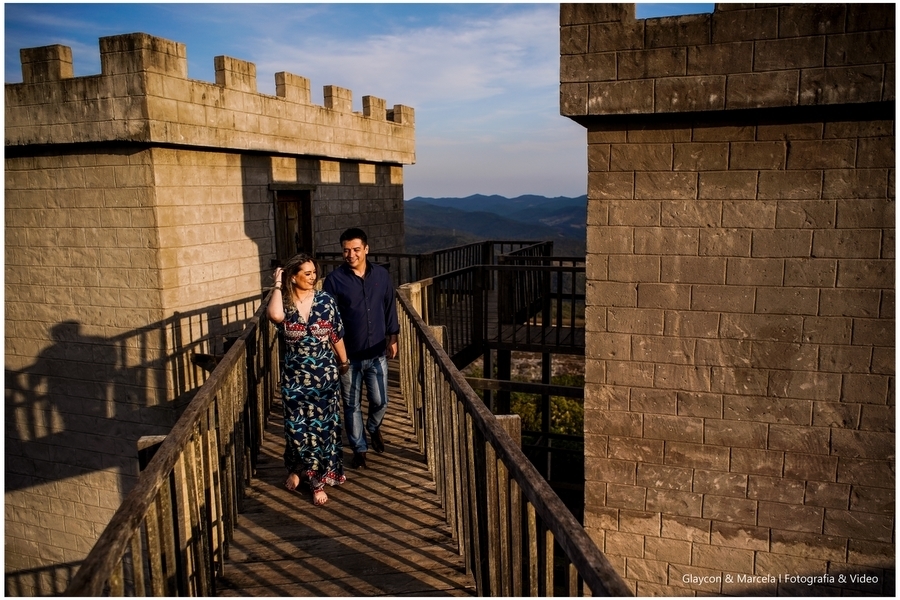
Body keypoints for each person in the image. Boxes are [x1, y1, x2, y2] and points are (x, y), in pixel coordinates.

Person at [267, 253, 350, 506]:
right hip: (295, 377)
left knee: (322, 429)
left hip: (323, 375)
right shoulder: (286, 302)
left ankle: (316, 480)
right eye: (307, 273)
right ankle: (298, 468)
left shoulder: (326, 301)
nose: (313, 277)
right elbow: (275, 317)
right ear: (294, 276)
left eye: (314, 272)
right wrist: (278, 284)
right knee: (295, 428)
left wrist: (344, 362)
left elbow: (335, 335)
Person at [324, 227, 399, 469]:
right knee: (351, 405)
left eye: (356, 249)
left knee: (381, 401)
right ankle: (359, 449)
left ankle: (374, 427)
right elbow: (329, 319)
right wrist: (336, 354)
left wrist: (393, 336)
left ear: (366, 249)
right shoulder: (334, 281)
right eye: (346, 250)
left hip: (377, 351)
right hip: (348, 356)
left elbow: (389, 305)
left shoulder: (381, 276)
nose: (351, 254)